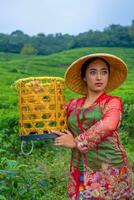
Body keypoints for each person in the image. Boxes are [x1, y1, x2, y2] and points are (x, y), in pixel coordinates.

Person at [54, 53, 133, 200]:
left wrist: (76, 141)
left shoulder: (112, 102)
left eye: (104, 72)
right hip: (79, 168)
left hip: (108, 169)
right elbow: (53, 116)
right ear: (84, 76)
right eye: (93, 72)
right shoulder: (73, 105)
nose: (99, 77)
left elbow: (109, 125)